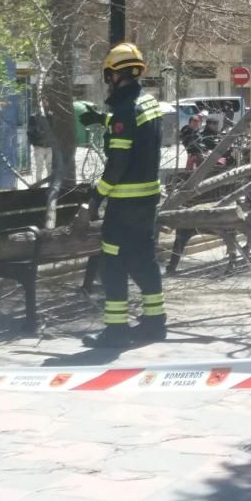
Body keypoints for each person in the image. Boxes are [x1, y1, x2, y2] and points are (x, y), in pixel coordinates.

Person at [80, 43, 166, 348]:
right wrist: (99, 119)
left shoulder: (124, 109)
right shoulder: (148, 103)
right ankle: (155, 324)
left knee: (112, 263)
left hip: (124, 204)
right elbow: (131, 132)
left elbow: (118, 162)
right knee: (144, 258)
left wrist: (96, 197)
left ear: (115, 74)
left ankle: (115, 332)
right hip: (147, 201)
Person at [28, 101, 53, 182]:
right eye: (41, 106)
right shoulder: (33, 117)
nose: (43, 108)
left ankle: (50, 186)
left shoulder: (51, 116)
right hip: (39, 147)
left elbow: (54, 130)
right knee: (39, 167)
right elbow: (30, 132)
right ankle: (38, 186)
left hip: (49, 146)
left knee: (50, 167)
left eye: (45, 106)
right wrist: (34, 143)